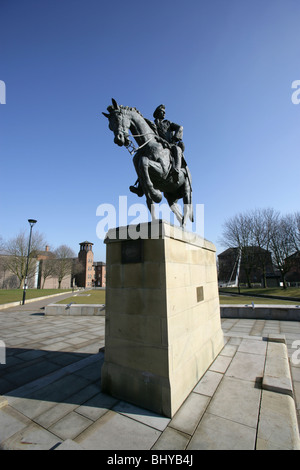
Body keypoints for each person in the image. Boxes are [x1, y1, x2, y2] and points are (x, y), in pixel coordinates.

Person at [129, 105, 185, 196]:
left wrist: (175, 138)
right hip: (158, 145)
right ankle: (140, 187)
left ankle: (176, 170)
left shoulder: (168, 123)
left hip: (170, 144)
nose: (164, 113)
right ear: (157, 113)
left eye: (164, 112)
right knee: (141, 159)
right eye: (162, 112)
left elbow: (180, 127)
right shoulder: (153, 124)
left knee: (177, 149)